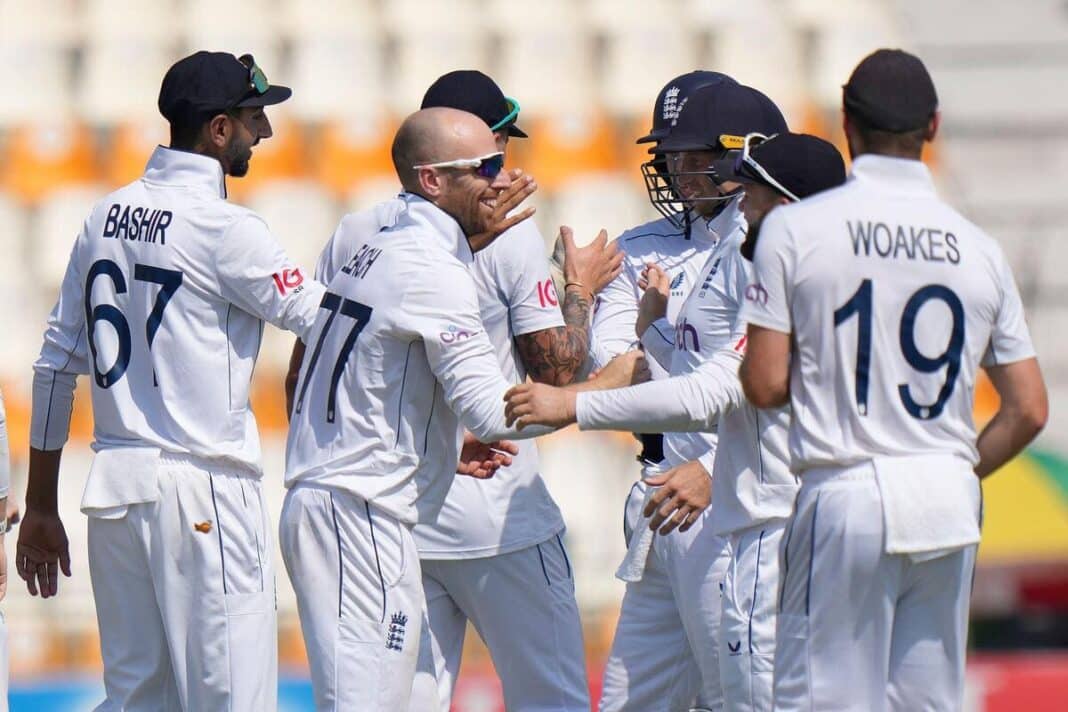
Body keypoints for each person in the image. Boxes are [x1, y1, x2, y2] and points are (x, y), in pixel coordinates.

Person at [280, 107, 643, 711]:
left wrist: (441, 448)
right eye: (488, 165)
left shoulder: (362, 238)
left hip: (354, 503)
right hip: (369, 513)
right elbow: (498, 412)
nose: (505, 179)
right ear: (431, 180)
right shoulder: (433, 266)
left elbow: (337, 380)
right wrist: (609, 383)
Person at [738, 49, 1048, 711]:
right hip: (947, 493)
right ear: (933, 126)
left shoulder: (793, 228)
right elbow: (1027, 409)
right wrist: (950, 467)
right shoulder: (980, 249)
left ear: (846, 122)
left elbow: (764, 385)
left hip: (847, 486)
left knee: (820, 702)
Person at [15, 51, 324, 710]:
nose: (262, 134)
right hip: (203, 490)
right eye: (252, 118)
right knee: (232, 702)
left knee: (138, 702)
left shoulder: (103, 216)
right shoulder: (226, 228)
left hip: (117, 495)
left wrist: (42, 502)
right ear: (216, 130)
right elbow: (328, 319)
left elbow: (52, 368)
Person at [504, 132, 848, 712]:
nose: (742, 207)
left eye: (754, 194)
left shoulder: (793, 278)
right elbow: (708, 371)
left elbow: (718, 391)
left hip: (762, 520)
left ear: (787, 208)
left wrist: (573, 406)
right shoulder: (819, 270)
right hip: (721, 511)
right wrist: (655, 329)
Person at [594, 81, 789, 712]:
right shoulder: (645, 245)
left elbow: (761, 380)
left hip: (723, 504)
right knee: (630, 701)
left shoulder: (763, 244)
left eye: (691, 153)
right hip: (659, 503)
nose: (675, 169)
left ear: (742, 154)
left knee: (741, 698)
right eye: (669, 154)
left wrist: (713, 468)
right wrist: (642, 329)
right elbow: (615, 362)